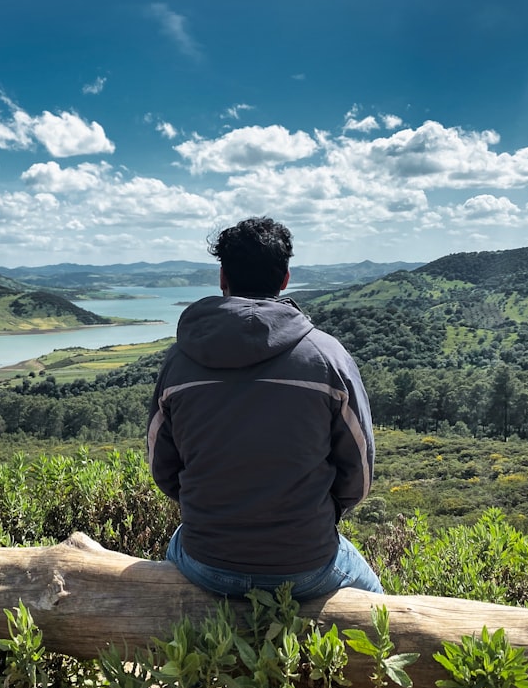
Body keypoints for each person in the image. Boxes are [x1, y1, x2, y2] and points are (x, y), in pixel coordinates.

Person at [147, 216, 383, 601]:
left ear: (223, 277)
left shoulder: (179, 362)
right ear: (285, 277)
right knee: (382, 608)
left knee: (176, 545)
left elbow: (163, 469)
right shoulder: (327, 358)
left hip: (206, 563)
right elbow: (359, 474)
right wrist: (315, 513)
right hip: (307, 563)